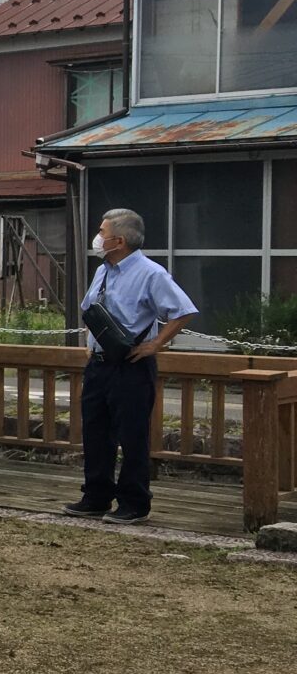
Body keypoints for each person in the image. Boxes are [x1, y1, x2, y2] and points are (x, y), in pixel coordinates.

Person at [63, 208, 196, 525]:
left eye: (102, 232)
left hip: (131, 366)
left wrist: (156, 343)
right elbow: (90, 310)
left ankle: (134, 502)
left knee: (132, 434)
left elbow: (183, 310)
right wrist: (91, 345)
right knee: (95, 432)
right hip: (99, 364)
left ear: (119, 240)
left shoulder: (151, 273)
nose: (98, 237)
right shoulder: (104, 270)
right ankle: (95, 496)